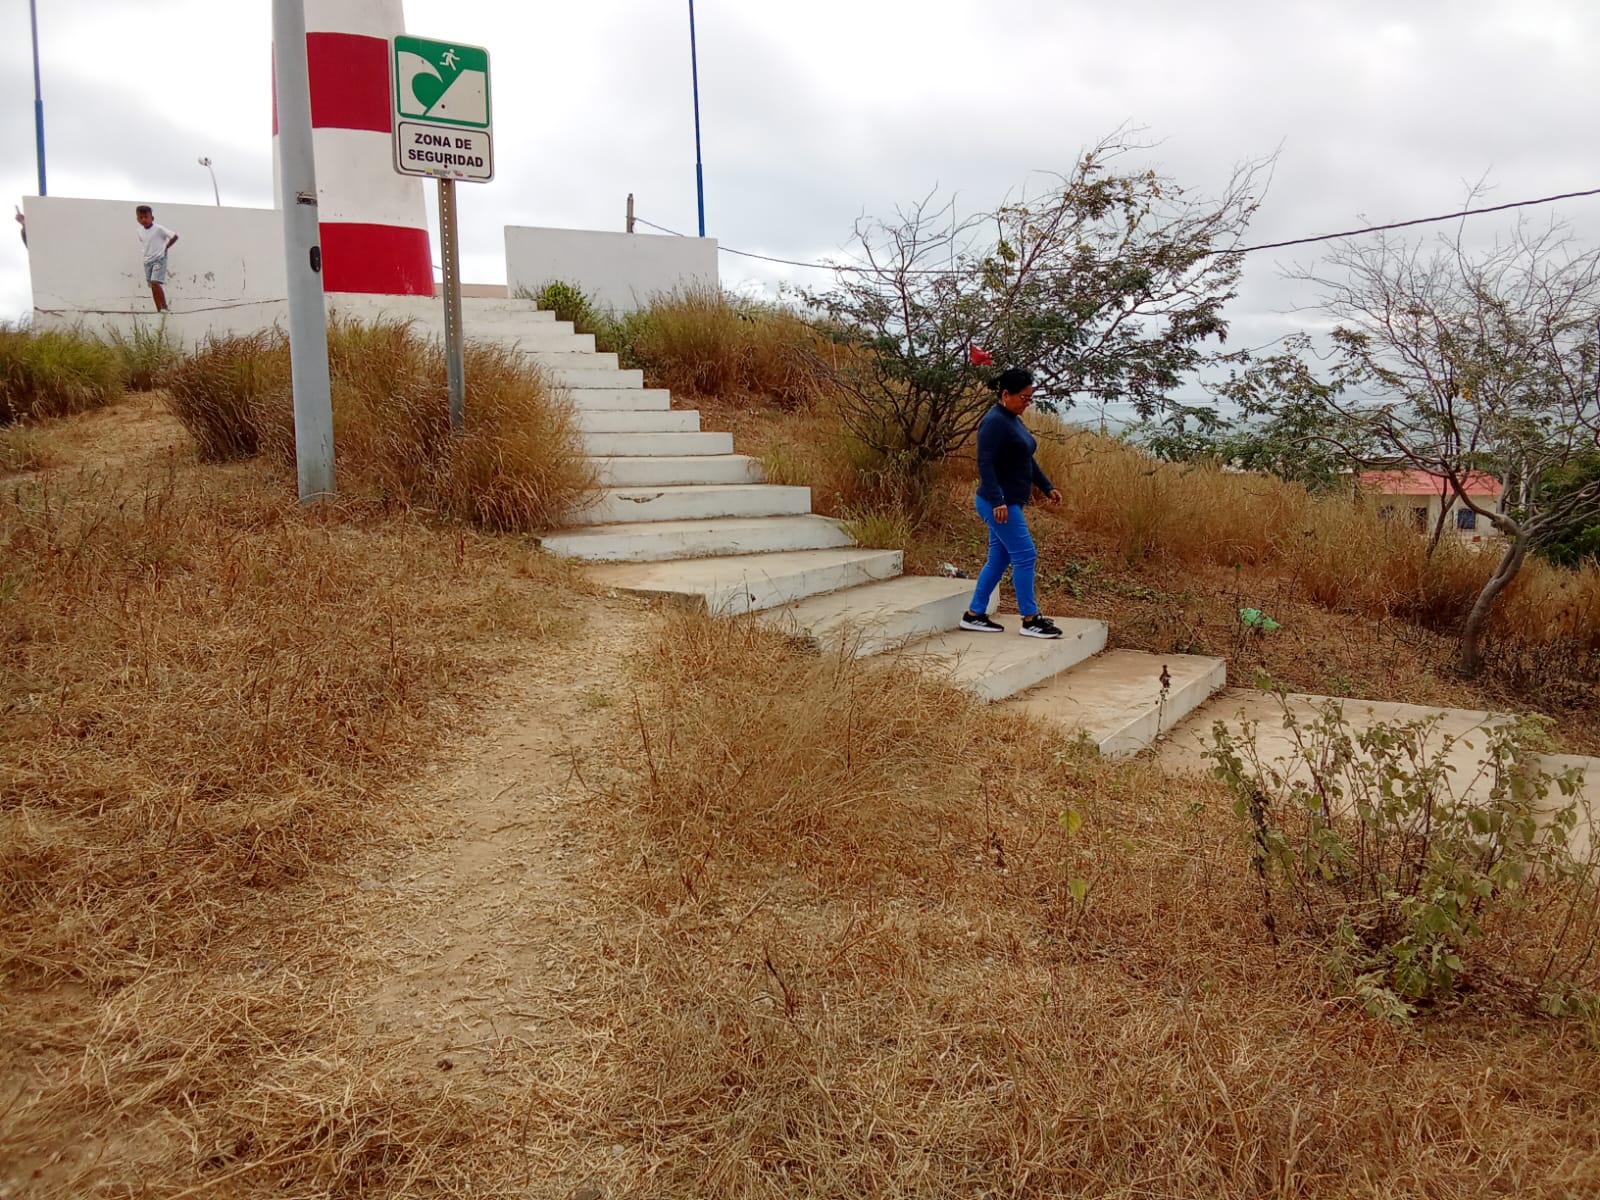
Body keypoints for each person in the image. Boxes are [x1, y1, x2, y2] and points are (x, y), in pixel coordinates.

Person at [960, 366, 1065, 638]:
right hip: (999, 503)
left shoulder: (1012, 418)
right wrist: (997, 500)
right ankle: (1030, 619)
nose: (1027, 403)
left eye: (1030, 398)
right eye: (1024, 397)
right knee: (1026, 555)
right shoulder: (995, 421)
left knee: (999, 558)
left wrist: (1047, 486)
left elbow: (1026, 457)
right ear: (1006, 394)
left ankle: (974, 615)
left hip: (1010, 501)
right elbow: (985, 462)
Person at [134, 205, 179, 312]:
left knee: (155, 282)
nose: (143, 220)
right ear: (137, 219)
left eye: (146, 217)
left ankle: (164, 307)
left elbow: (174, 236)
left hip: (159, 259)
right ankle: (159, 309)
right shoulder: (139, 231)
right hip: (147, 261)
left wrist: (166, 247)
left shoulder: (158, 229)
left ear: (152, 218)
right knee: (153, 286)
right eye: (141, 217)